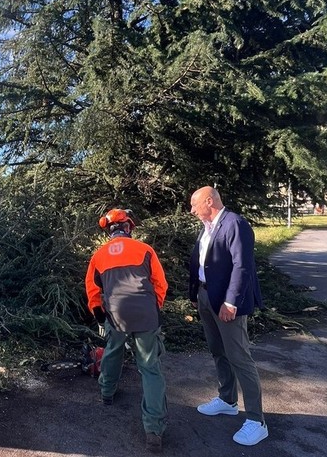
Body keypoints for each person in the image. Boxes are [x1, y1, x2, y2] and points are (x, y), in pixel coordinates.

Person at [188, 186, 268, 446]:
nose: (192, 210)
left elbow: (242, 266)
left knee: (239, 357)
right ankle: (227, 400)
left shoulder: (235, 224)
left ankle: (257, 420)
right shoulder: (208, 227)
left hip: (226, 303)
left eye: (194, 204)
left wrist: (231, 302)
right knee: (217, 351)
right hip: (206, 297)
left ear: (209, 201)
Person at [85, 208, 169, 453]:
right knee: (150, 369)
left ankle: (107, 392)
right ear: (129, 228)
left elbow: (92, 290)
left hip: (115, 314)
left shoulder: (98, 256)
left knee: (112, 350)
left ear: (108, 231)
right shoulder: (145, 250)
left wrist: (99, 313)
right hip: (145, 315)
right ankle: (154, 430)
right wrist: (155, 308)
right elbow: (160, 284)